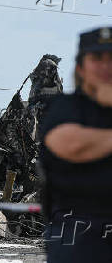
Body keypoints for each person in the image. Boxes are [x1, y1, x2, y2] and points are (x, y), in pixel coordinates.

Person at [39, 26, 112, 262]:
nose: (105, 66)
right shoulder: (65, 107)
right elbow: (72, 145)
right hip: (79, 236)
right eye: (97, 58)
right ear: (81, 67)